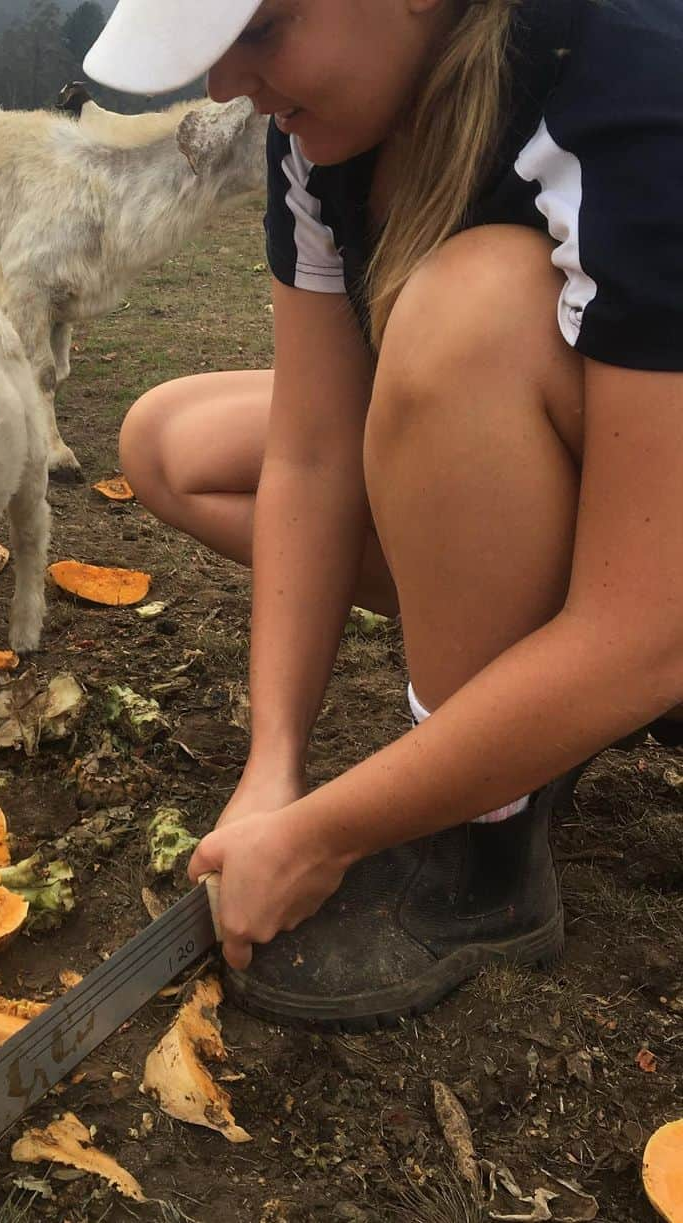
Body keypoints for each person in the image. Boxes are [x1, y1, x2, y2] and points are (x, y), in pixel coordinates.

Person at [83, 0, 683, 1029]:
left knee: (465, 316)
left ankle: (482, 848)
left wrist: (330, 832)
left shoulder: (631, 102)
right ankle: (525, 697)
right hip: (588, 489)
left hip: (658, 587)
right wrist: (275, 768)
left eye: (262, 30)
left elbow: (652, 630)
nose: (225, 85)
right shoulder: (322, 142)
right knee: (168, 441)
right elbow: (310, 453)